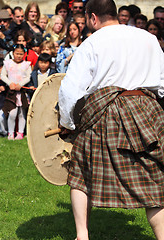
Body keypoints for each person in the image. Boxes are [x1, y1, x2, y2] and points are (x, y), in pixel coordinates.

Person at [57, 0, 164, 239]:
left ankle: (82, 235)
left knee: (81, 174)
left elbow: (69, 90)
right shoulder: (147, 38)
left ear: (93, 17)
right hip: (147, 111)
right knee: (154, 179)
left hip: (105, 113)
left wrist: (67, 123)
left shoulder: (92, 42)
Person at [0, 44, 31, 140]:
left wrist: (21, 84)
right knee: (12, 113)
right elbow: (3, 75)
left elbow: (28, 76)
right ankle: (10, 133)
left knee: (22, 113)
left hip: (22, 91)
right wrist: (10, 83)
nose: (19, 56)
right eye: (17, 53)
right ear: (13, 53)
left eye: (21, 54)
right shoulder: (8, 63)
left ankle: (20, 133)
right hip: (11, 92)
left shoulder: (26, 64)